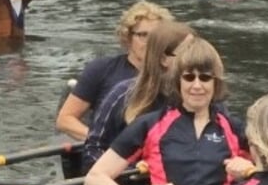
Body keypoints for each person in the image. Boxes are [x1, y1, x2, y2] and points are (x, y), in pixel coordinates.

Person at [82, 36, 253, 185]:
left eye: (205, 78)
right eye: (189, 77)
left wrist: (253, 171)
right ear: (178, 81)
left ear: (216, 83)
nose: (197, 85)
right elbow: (95, 179)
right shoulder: (151, 125)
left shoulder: (234, 128)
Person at [56, 1, 173, 149]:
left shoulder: (175, 75)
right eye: (143, 35)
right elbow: (65, 120)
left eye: (156, 36)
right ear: (128, 38)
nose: (150, 42)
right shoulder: (101, 69)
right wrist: (106, 143)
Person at [81, 17, 192, 169]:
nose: (196, 59)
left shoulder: (203, 96)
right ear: (164, 59)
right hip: (130, 180)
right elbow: (93, 150)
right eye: (188, 54)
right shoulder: (123, 94)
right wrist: (129, 172)